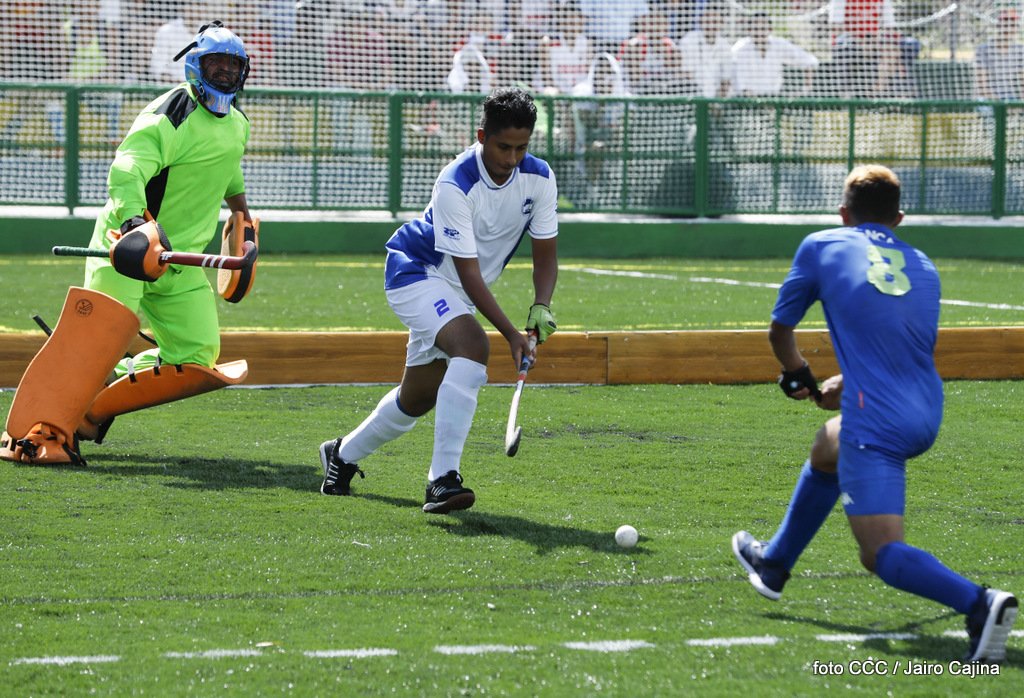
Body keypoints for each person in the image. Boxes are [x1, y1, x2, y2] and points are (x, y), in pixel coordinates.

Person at [731, 165, 1019, 664]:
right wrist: (849, 384)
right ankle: (774, 563)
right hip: (925, 409)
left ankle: (980, 603)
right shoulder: (924, 265)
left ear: (844, 214)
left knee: (880, 554)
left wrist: (799, 376)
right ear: (899, 218)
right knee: (828, 446)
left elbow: (780, 333)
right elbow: (896, 346)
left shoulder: (822, 245)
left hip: (879, 419)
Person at [0, 20, 256, 466]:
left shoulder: (237, 124)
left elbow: (228, 172)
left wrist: (243, 216)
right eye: (215, 64)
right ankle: (36, 435)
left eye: (232, 66)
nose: (223, 74)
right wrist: (139, 227)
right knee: (92, 342)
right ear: (195, 66)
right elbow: (126, 172)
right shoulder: (168, 115)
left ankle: (95, 399)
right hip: (127, 248)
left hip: (181, 262)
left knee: (198, 356)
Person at [318, 86, 559, 515]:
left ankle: (342, 455)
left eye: (521, 148)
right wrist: (509, 335)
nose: (511, 159)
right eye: (503, 147)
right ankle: (441, 480)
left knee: (417, 398)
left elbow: (545, 255)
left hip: (458, 291)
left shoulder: (538, 178)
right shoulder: (455, 181)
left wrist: (541, 306)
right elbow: (467, 271)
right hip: (416, 272)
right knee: (473, 345)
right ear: (482, 136)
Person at [730, 11, 818, 97]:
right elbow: (743, 87)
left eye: (763, 28)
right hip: (745, 102)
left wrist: (805, 90)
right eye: (756, 28)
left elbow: (810, 61)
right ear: (749, 30)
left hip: (774, 100)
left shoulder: (780, 45)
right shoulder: (741, 48)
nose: (760, 32)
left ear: (770, 29)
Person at [975, 9, 1024, 101]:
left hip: (1011, 99)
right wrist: (1001, 105)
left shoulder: (1020, 50)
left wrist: (1019, 104)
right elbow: (982, 86)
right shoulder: (983, 49)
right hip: (988, 100)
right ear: (998, 25)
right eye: (1005, 23)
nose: (1008, 28)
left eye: (1013, 25)